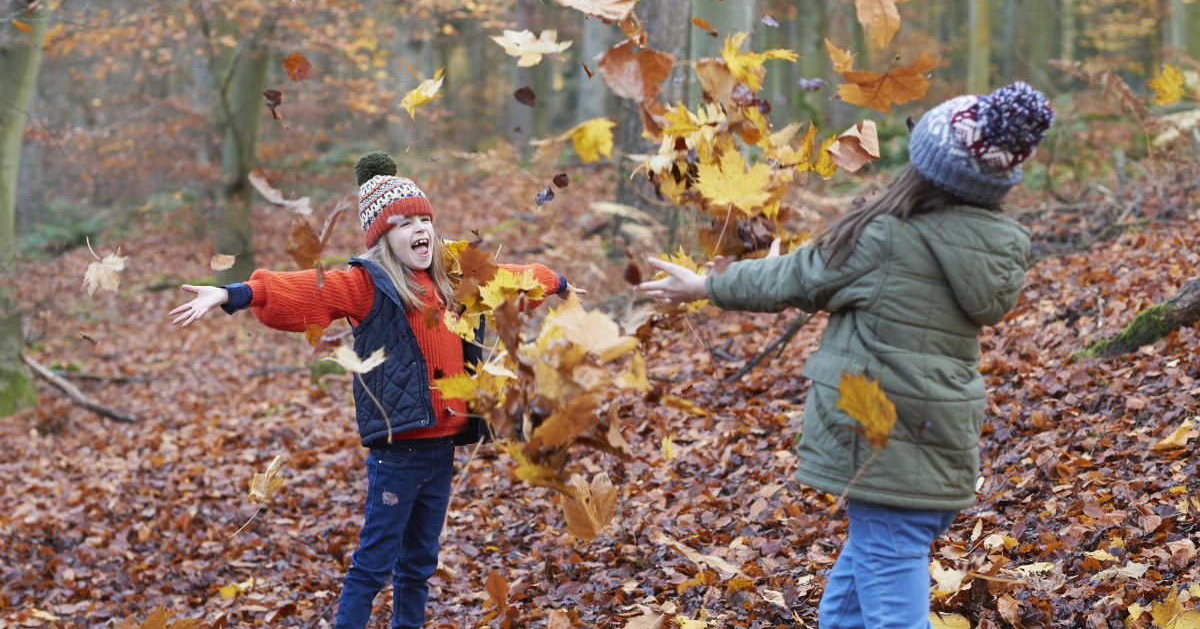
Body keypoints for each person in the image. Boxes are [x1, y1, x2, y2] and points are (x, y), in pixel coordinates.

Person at [636, 82, 1053, 628]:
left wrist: (703, 287)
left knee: (891, 607)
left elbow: (794, 276)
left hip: (885, 449)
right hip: (939, 446)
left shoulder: (884, 238)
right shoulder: (994, 247)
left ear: (923, 167)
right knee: (855, 596)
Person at [170, 151, 578, 629]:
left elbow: (507, 276)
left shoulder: (451, 279)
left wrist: (557, 283)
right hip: (397, 453)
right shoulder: (368, 284)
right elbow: (305, 290)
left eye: (424, 219)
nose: (419, 229)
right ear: (384, 237)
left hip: (441, 448)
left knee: (420, 564)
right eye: (404, 223)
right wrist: (233, 294)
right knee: (373, 565)